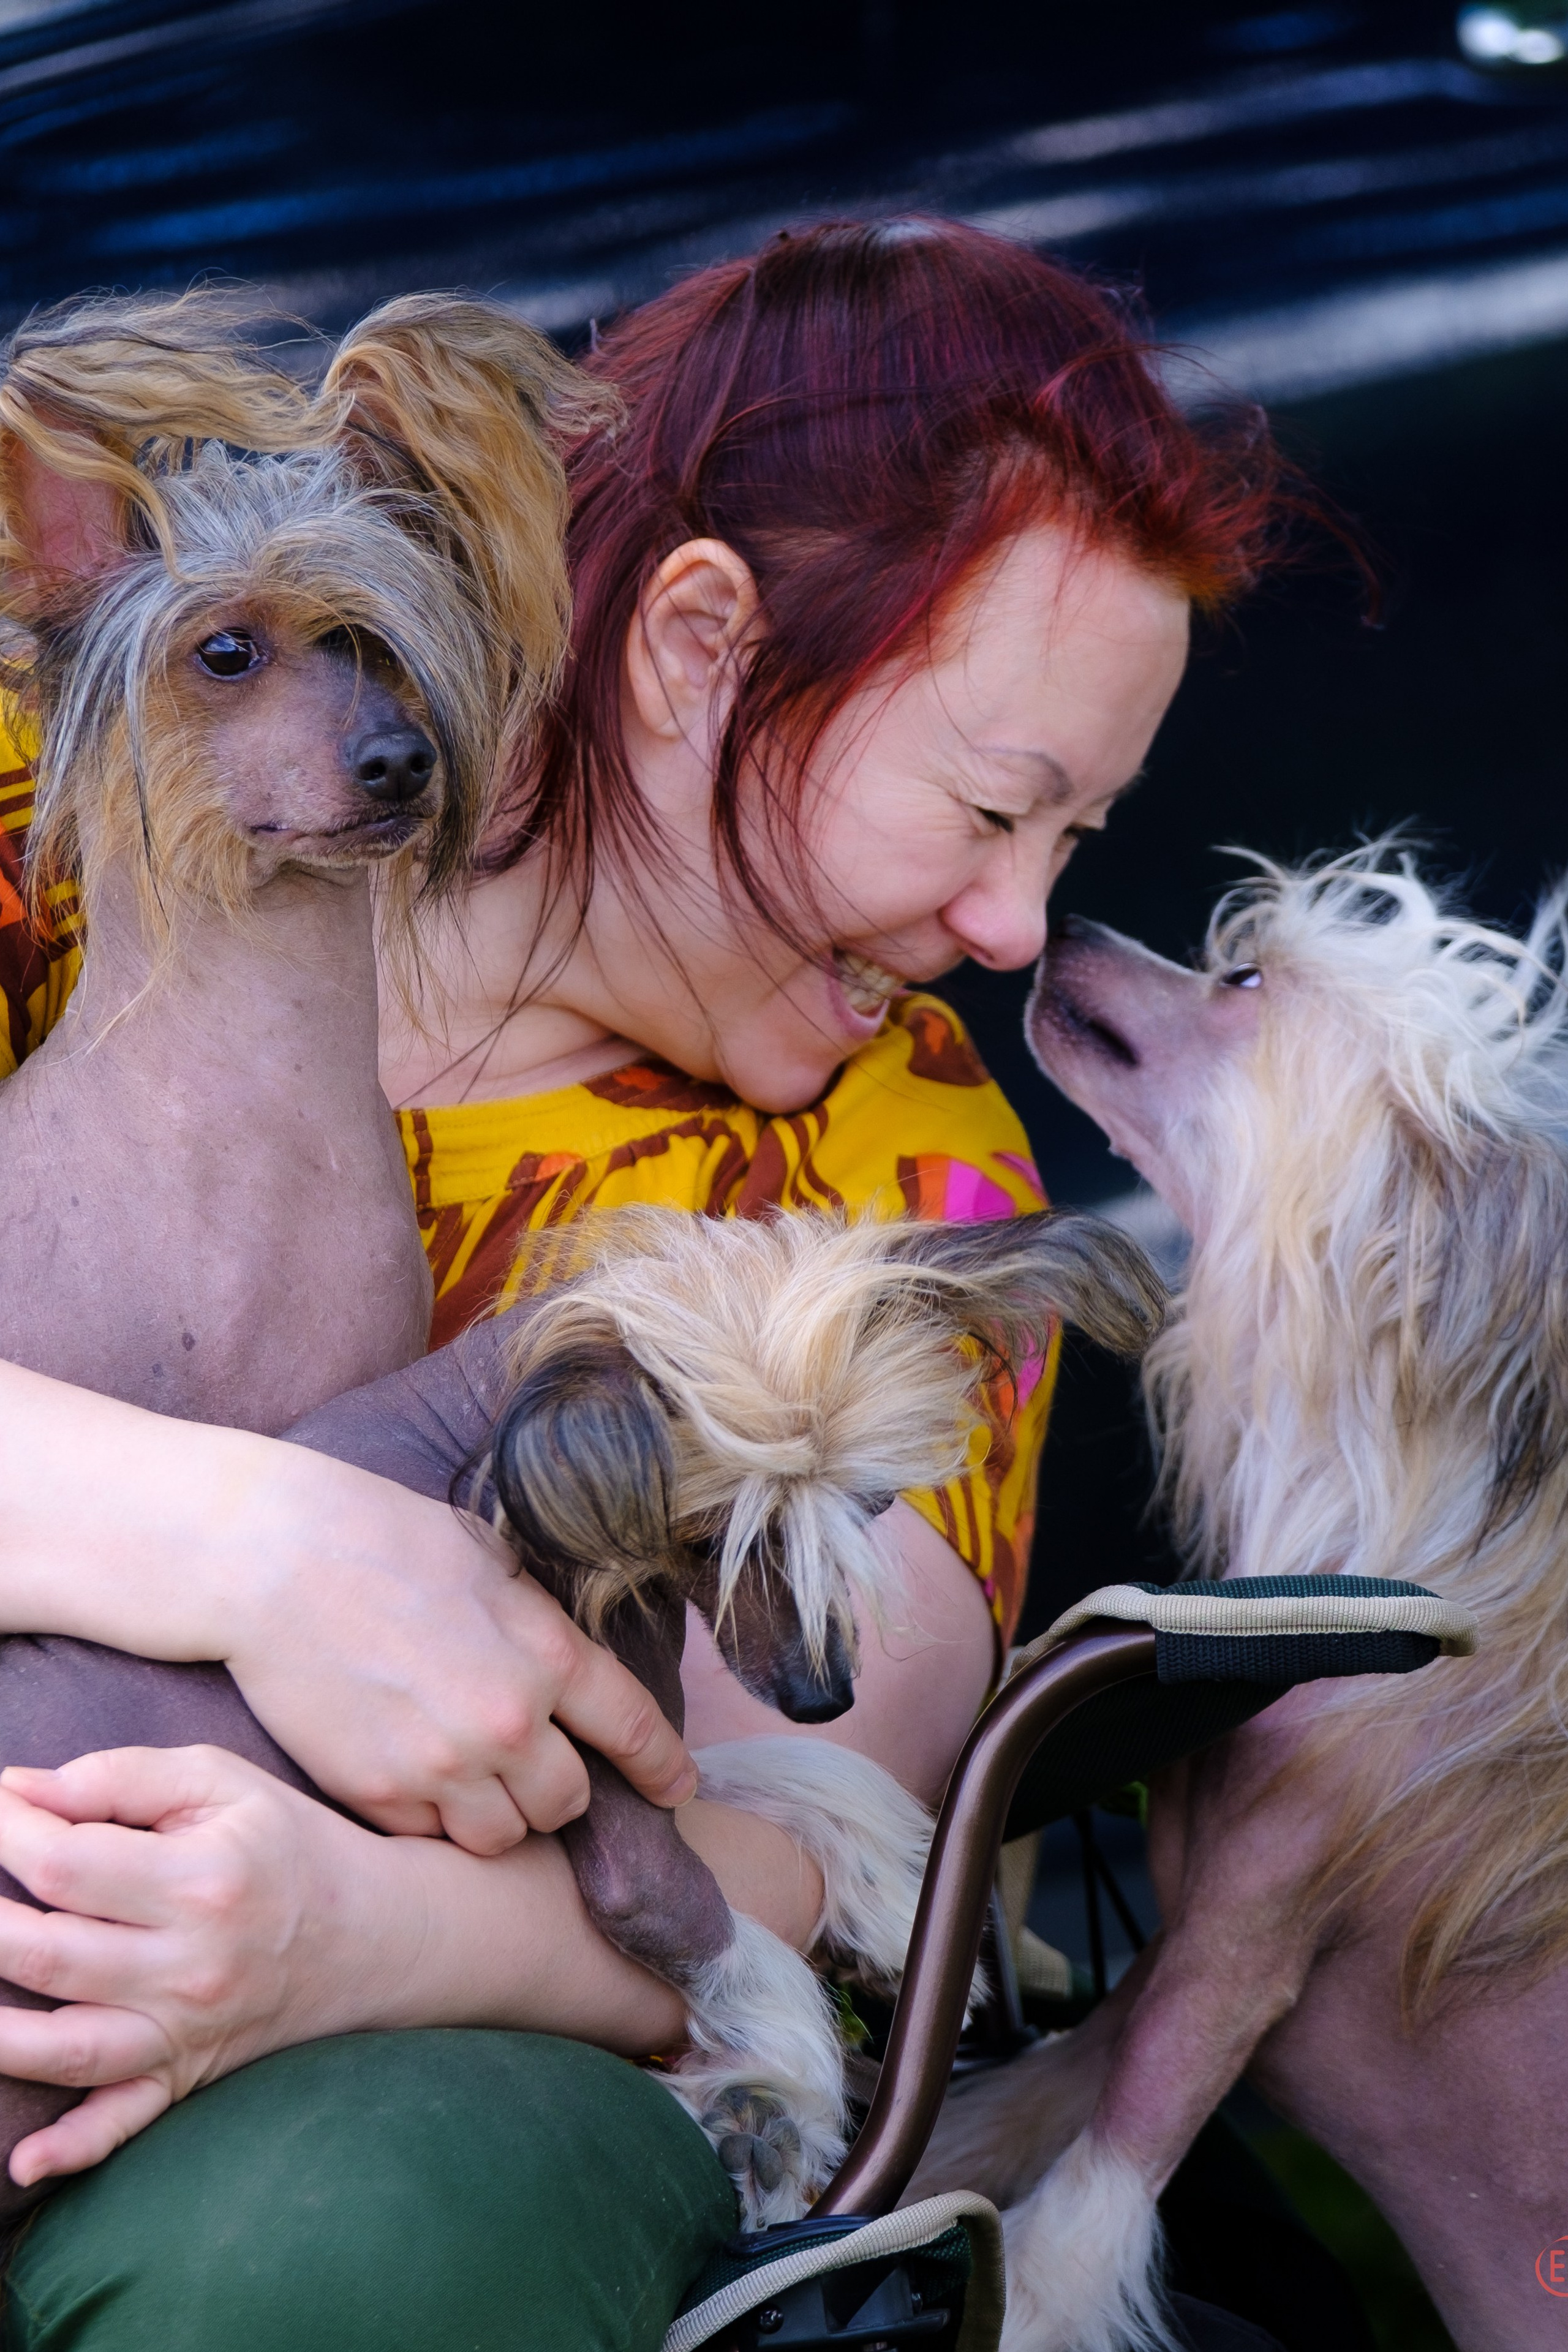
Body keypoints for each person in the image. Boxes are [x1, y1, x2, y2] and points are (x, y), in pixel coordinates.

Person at [0, 219, 1295, 2349]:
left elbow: (815, 1826)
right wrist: (267, 1550)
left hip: (463, 2018)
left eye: (1077, 842)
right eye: (993, 806)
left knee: (345, 2250)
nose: (1009, 926)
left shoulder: (903, 1164)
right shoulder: (122, 797)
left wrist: (351, 1930)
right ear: (693, 642)